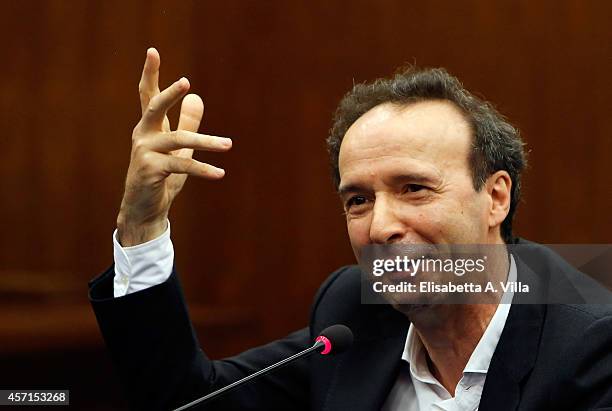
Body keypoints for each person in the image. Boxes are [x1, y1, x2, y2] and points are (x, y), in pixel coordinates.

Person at [89, 48, 612, 410]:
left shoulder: (591, 340)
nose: (381, 226)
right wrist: (142, 224)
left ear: (495, 197)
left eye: (414, 188)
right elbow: (186, 401)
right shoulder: (355, 310)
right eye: (358, 200)